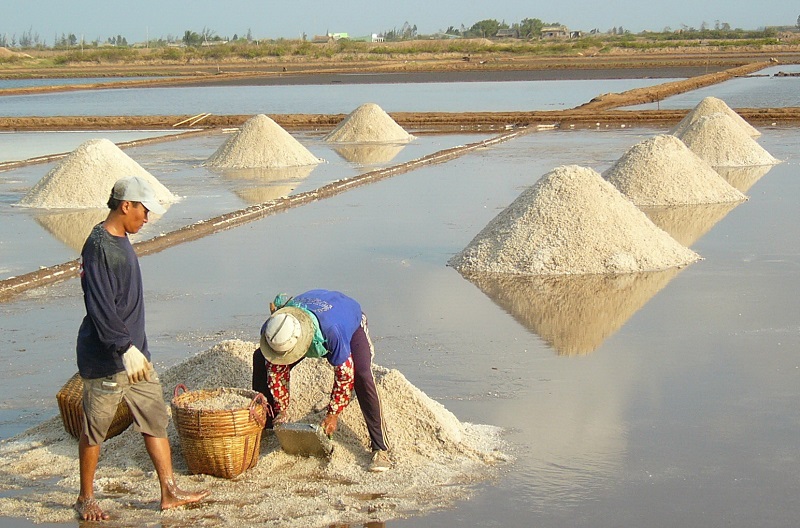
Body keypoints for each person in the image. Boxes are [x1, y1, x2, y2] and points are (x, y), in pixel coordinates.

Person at [73, 175, 209, 521]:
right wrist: (123, 347)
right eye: (143, 211)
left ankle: (169, 491)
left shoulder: (121, 239)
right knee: (95, 428)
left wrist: (137, 349)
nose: (146, 219)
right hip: (108, 358)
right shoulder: (99, 247)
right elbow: (100, 306)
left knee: (154, 419)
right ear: (126, 206)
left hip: (136, 356)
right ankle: (85, 498)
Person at [252, 289, 391, 472]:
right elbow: (276, 370)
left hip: (348, 319)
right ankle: (267, 426)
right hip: (307, 314)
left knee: (362, 375)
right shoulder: (273, 328)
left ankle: (380, 447)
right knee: (260, 358)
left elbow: (344, 375)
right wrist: (281, 410)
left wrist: (333, 414)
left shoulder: (333, 331)